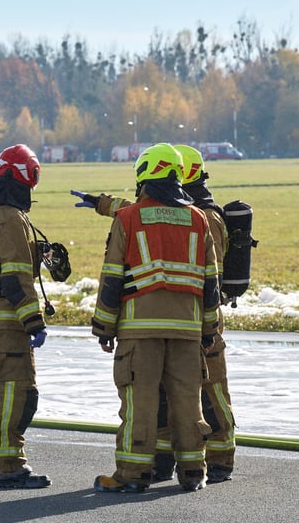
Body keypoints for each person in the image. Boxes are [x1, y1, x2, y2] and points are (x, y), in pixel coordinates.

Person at [72, 144, 236, 484]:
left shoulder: (129, 218)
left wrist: (104, 327)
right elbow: (211, 282)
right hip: (188, 331)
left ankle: (132, 473)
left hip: (140, 330)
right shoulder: (198, 218)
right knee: (189, 402)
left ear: (143, 174)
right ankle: (193, 471)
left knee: (141, 403)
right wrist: (208, 329)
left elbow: (113, 277)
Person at [0, 143, 51, 489]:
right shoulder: (11, 218)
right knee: (15, 393)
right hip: (8, 321)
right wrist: (33, 321)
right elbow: (16, 277)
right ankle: (10, 466)